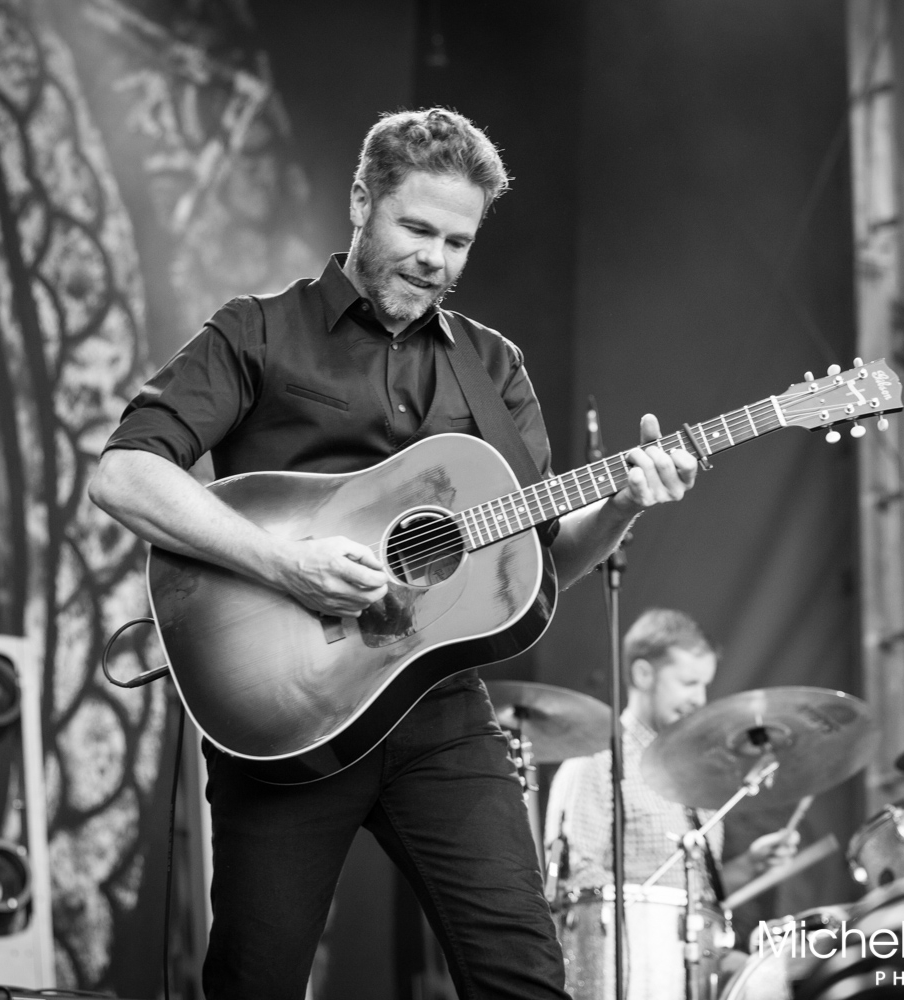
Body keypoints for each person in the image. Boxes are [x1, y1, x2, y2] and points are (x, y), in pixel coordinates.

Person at [89, 108, 700, 999]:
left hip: (441, 715)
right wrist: (284, 565)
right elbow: (125, 476)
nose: (436, 260)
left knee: (526, 980)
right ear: (361, 202)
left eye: (458, 243)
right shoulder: (259, 331)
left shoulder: (494, 367)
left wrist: (621, 507)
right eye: (417, 229)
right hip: (285, 717)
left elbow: (533, 568)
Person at [545, 608, 799, 906]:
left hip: (692, 950)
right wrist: (649, 919)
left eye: (705, 685)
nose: (700, 700)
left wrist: (750, 866)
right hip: (628, 948)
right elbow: (574, 879)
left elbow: (694, 902)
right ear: (643, 674)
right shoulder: (594, 763)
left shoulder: (695, 768)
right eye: (689, 683)